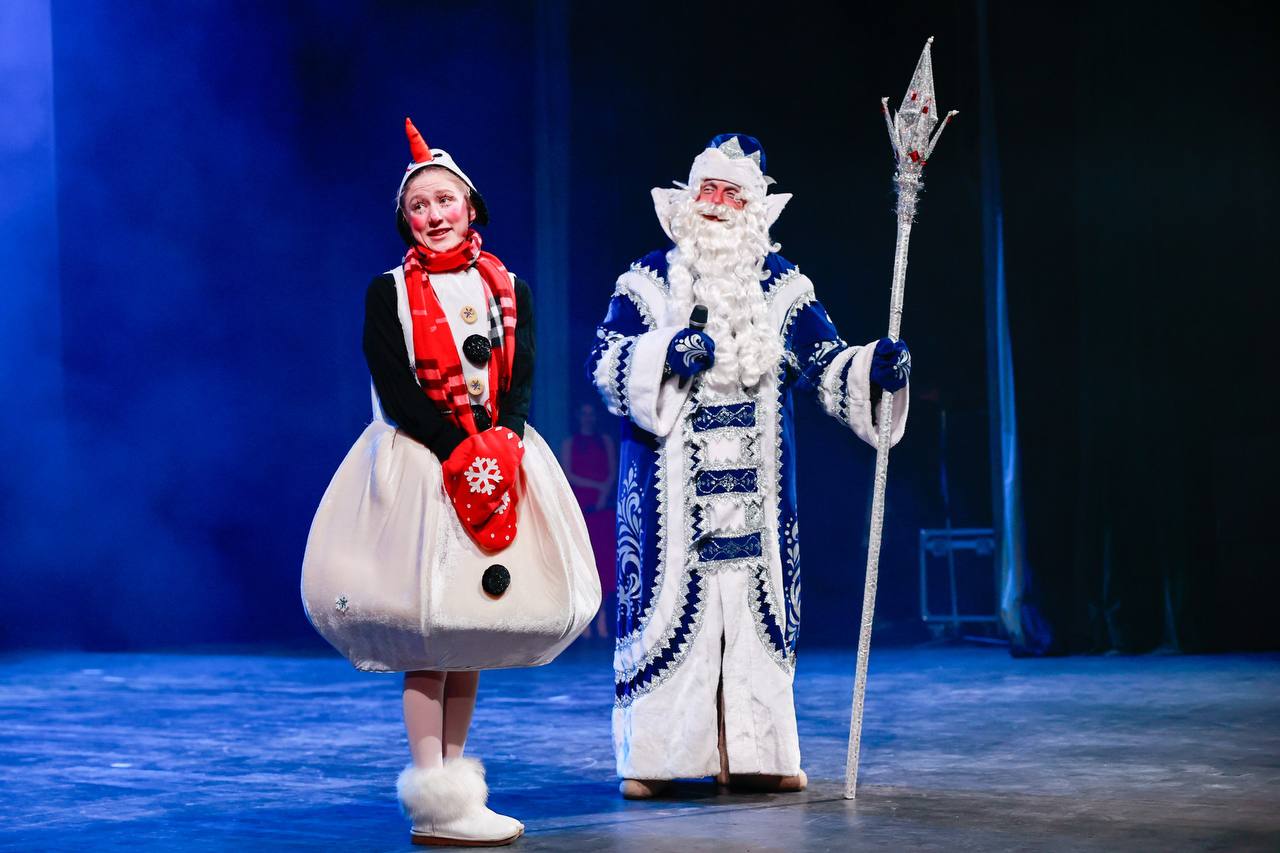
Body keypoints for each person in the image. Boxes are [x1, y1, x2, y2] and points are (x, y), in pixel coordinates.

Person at [586, 133, 912, 798]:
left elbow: (826, 364)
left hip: (757, 505)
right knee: (669, 620)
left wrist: (874, 370)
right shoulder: (646, 281)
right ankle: (656, 760)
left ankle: (758, 754)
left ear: (755, 208)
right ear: (686, 198)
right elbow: (605, 358)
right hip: (671, 507)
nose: (715, 203)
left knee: (756, 623)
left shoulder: (785, 288)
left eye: (731, 194)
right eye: (706, 190)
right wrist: (666, 355)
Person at [363, 118, 533, 845]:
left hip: (491, 460)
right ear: (406, 218)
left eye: (444, 200)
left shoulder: (507, 286)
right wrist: (451, 447)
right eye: (419, 205)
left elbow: (519, 379)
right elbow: (395, 384)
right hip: (423, 466)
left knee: (468, 629)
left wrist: (504, 441)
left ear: (470, 205)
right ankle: (433, 798)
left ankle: (457, 793)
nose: (433, 214)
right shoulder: (390, 293)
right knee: (427, 634)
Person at [560, 401, 618, 638]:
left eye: (591, 413)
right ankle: (584, 620)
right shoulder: (569, 443)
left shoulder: (605, 441)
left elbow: (612, 471)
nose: (587, 417)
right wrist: (597, 487)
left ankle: (603, 618)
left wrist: (604, 492)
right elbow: (568, 474)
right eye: (584, 413)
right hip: (582, 506)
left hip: (602, 507)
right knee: (583, 560)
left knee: (604, 561)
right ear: (578, 416)